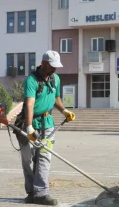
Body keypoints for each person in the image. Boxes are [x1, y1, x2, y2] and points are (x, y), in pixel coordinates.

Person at [18, 50, 75, 205]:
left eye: (56, 66)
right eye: (52, 66)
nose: (54, 69)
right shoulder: (31, 80)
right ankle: (31, 193)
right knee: (28, 161)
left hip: (48, 124)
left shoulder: (55, 78)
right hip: (29, 124)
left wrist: (64, 111)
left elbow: (56, 97)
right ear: (43, 63)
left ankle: (41, 193)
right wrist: (29, 128)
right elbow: (29, 104)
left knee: (44, 158)